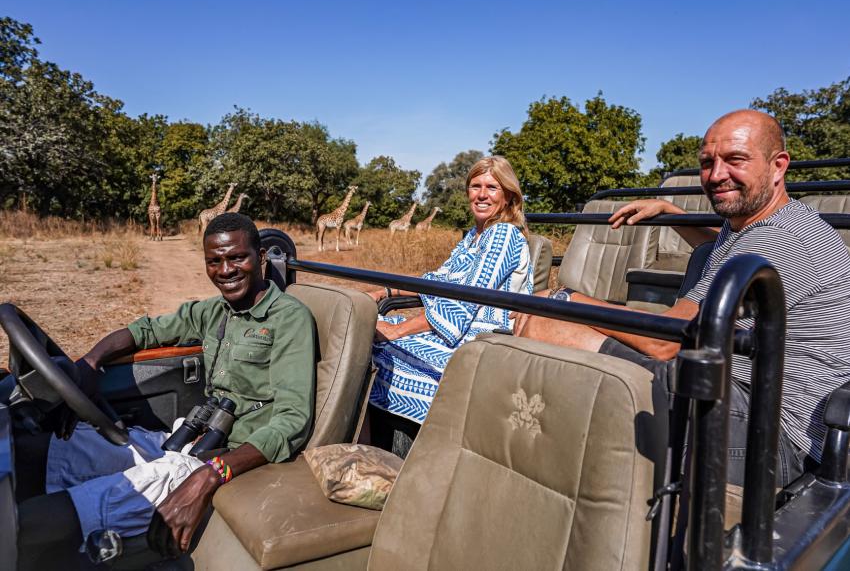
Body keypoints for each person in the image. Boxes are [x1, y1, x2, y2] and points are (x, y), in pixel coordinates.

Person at [514, 109, 850, 487]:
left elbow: (666, 341)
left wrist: (564, 298)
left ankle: (537, 466)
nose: (716, 174)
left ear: (778, 166)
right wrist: (672, 212)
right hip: (735, 393)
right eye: (707, 163)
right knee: (550, 324)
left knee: (550, 327)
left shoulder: (779, 239)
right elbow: (719, 248)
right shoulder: (756, 223)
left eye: (736, 159)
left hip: (772, 438)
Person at [17, 212, 316, 568]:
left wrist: (213, 473)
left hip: (227, 456)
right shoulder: (214, 311)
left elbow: (292, 420)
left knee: (41, 520)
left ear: (261, 257)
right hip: (187, 440)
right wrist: (91, 362)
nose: (226, 270)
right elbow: (146, 331)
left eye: (237, 257)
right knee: (50, 449)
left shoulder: (289, 318)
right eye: (214, 261)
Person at [367, 155, 533, 427]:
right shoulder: (472, 237)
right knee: (363, 335)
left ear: (508, 197)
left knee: (383, 348)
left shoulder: (503, 234)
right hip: (455, 328)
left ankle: (409, 441)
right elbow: (436, 281)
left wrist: (397, 331)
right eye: (475, 186)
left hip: (484, 335)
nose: (482, 195)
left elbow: (464, 302)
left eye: (492, 188)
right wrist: (384, 292)